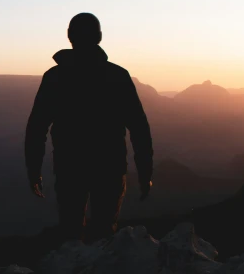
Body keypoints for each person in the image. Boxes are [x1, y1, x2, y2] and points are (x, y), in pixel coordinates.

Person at [25, 13, 153, 243]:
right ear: (100, 37)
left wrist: (33, 168)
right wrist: (145, 171)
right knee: (105, 234)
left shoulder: (54, 78)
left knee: (71, 232)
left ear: (69, 37)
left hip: (69, 166)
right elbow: (139, 127)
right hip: (110, 166)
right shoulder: (118, 76)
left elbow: (37, 127)